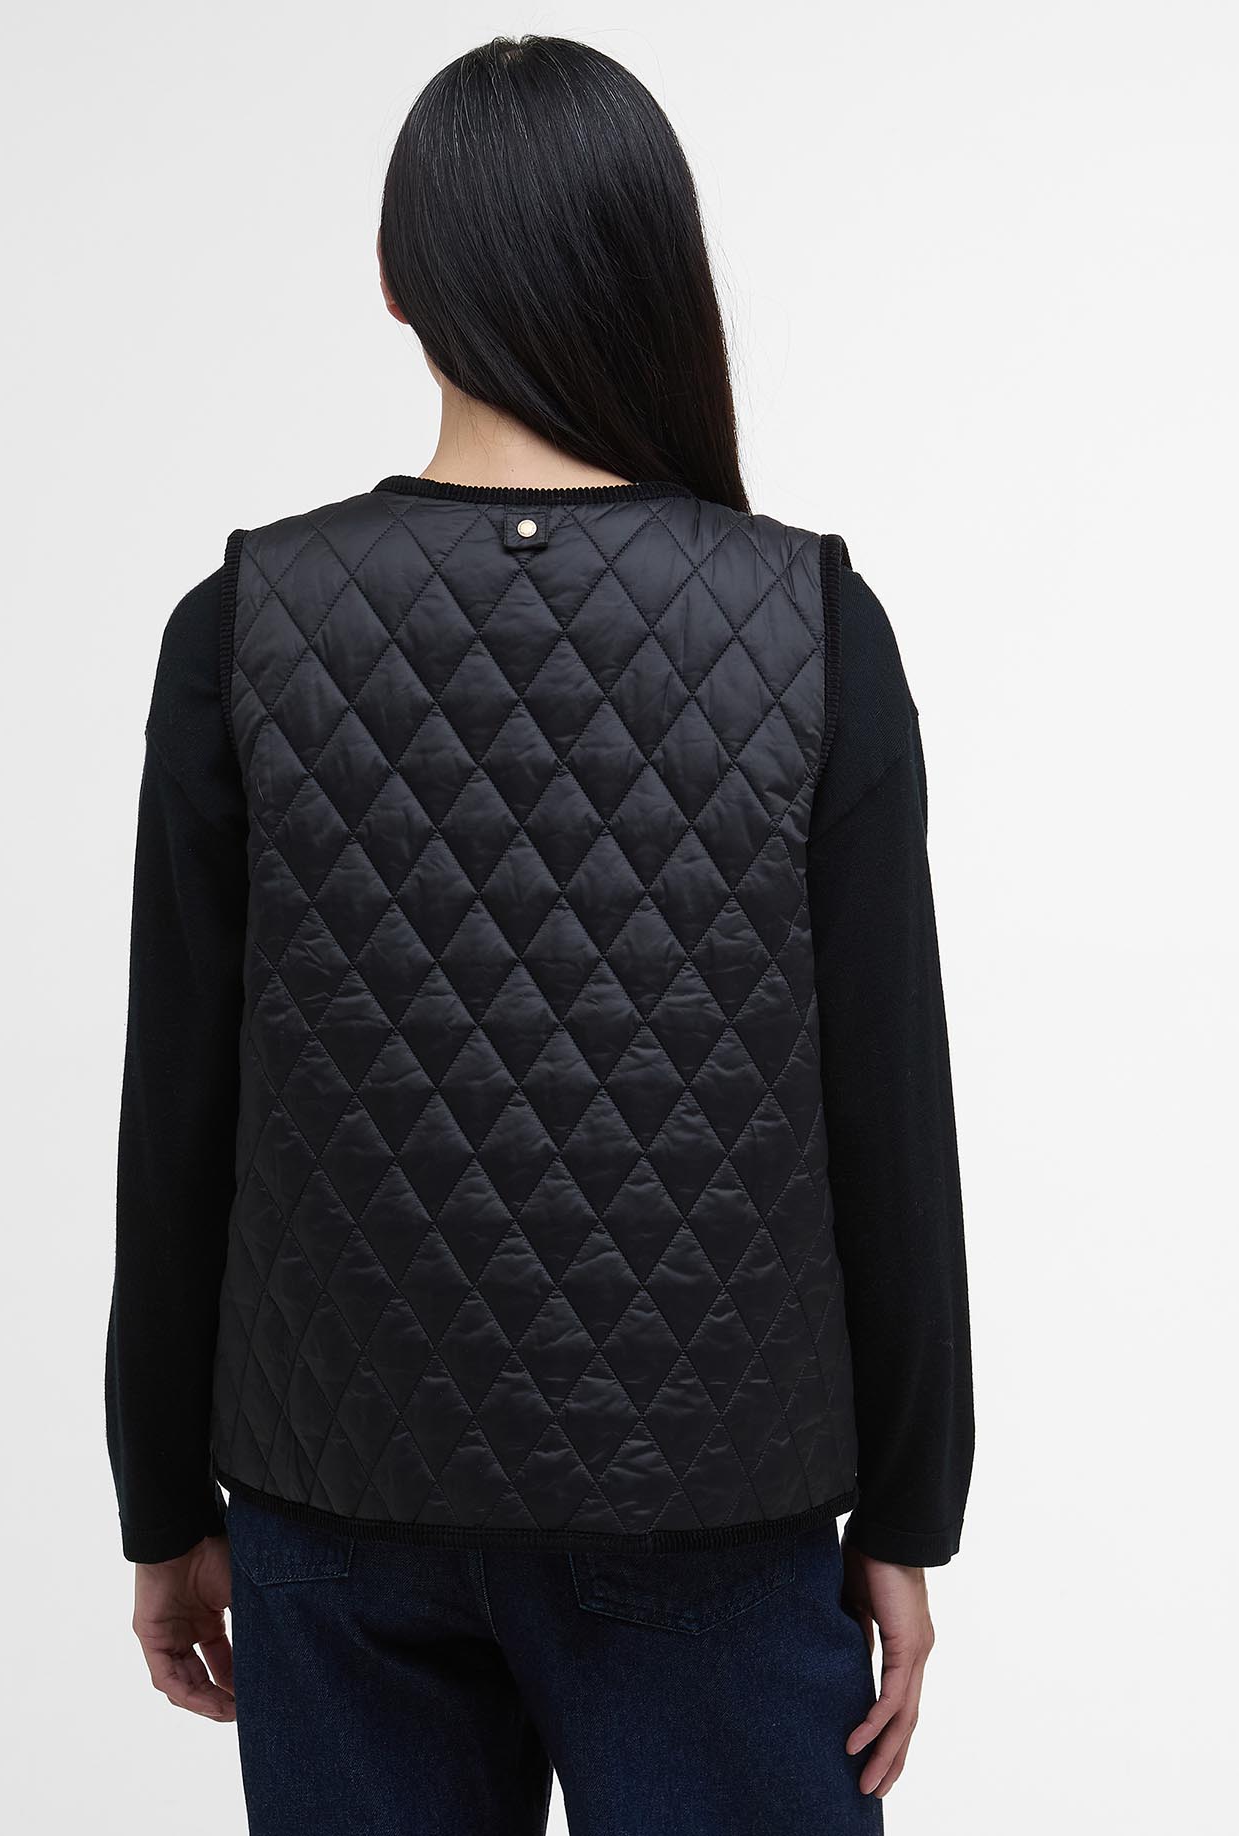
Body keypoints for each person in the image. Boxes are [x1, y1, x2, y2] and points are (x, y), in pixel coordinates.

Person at [105, 33, 973, 1835]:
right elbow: (887, 1112)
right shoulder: (812, 623)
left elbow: (179, 1113)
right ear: (657, 264)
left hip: (334, 1506)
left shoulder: (243, 625)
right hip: (714, 1509)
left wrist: (160, 1501)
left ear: (393, 278)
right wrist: (906, 1513)